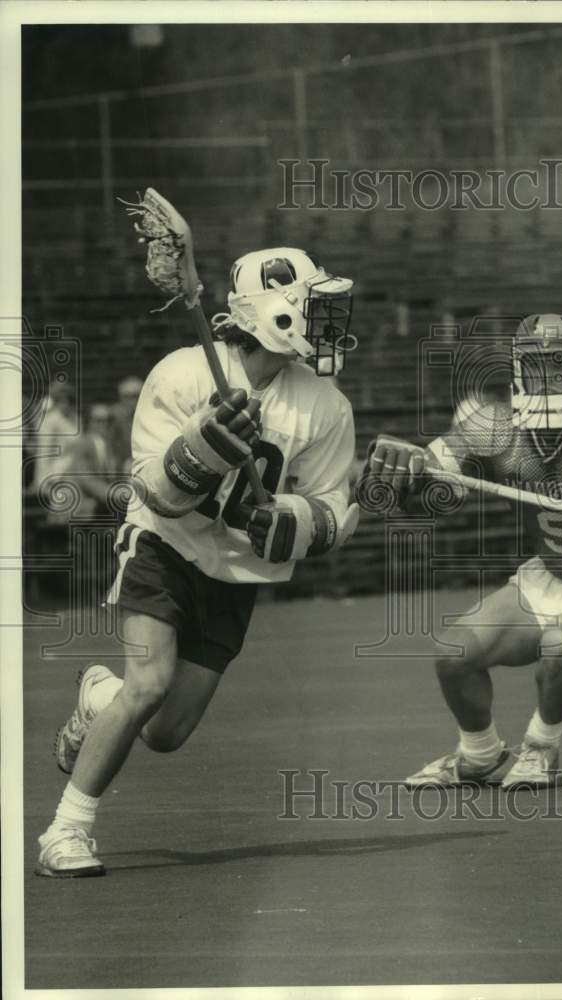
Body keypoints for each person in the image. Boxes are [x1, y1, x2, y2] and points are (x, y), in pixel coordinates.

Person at [36, 248, 359, 877]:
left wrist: (290, 521)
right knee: (149, 685)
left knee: (165, 730)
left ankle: (98, 696)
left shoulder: (327, 405)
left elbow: (332, 509)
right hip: (164, 544)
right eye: (311, 306)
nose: (326, 321)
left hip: (235, 575)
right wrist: (203, 446)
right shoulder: (183, 375)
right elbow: (151, 490)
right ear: (274, 314)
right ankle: (66, 831)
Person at [364, 314, 562, 788]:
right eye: (535, 366)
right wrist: (409, 473)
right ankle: (478, 756)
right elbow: (432, 492)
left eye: (561, 365)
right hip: (550, 576)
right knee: (454, 653)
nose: (548, 378)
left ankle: (541, 748)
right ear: (517, 371)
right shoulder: (494, 425)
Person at [110, 375, 144, 474]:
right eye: (128, 397)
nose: (133, 401)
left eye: (136, 396)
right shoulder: (114, 416)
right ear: (121, 398)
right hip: (123, 465)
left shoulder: (151, 415)